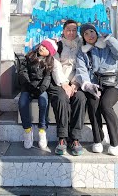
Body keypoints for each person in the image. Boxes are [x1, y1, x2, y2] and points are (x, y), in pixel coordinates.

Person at [75, 23, 118, 156]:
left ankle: (117, 141)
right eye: (85, 34)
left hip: (112, 85)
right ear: (83, 37)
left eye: (91, 31)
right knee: (92, 103)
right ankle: (98, 140)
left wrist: (110, 38)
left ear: (96, 32)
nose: (89, 35)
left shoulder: (106, 44)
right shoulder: (83, 51)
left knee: (105, 105)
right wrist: (86, 84)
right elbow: (81, 69)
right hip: (95, 85)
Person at [48, 19, 86, 156]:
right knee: (61, 99)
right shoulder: (58, 45)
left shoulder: (82, 44)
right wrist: (64, 84)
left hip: (77, 81)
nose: (71, 32)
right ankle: (62, 138)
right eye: (68, 30)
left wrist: (75, 84)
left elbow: (83, 66)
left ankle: (75, 139)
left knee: (81, 98)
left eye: (74, 30)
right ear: (63, 31)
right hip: (59, 82)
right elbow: (55, 66)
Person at [17, 39, 56, 149]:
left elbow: (47, 77)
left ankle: (42, 131)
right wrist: (28, 85)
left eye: (46, 47)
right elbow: (22, 72)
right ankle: (28, 131)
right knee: (22, 102)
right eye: (42, 45)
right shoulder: (29, 56)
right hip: (27, 86)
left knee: (43, 102)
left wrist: (42, 88)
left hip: (41, 88)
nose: (42, 48)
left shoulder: (49, 61)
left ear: (50, 52)